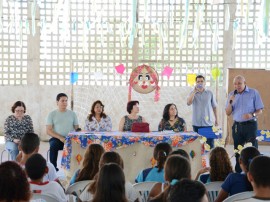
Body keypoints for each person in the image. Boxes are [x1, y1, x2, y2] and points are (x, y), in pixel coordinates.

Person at [225, 75, 264, 173]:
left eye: (239, 83)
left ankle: (254, 172)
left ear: (245, 83)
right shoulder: (231, 95)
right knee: (238, 151)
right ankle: (239, 172)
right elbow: (228, 112)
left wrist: (252, 114)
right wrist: (230, 102)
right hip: (237, 127)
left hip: (251, 125)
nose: (237, 86)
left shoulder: (253, 93)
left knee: (253, 150)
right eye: (235, 84)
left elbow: (260, 110)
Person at [46, 93, 79, 171]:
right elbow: (48, 130)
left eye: (66, 101)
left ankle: (75, 167)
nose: (65, 102)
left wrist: (77, 133)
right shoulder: (51, 114)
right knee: (53, 145)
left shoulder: (72, 114)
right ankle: (53, 168)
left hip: (70, 138)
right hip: (57, 139)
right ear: (57, 102)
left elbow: (77, 128)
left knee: (80, 145)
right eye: (62, 101)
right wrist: (60, 137)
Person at [187, 75, 218, 148]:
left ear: (205, 83)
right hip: (196, 124)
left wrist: (216, 119)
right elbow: (188, 103)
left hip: (208, 124)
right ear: (196, 83)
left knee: (210, 146)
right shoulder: (192, 93)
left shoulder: (209, 93)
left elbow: (214, 107)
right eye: (198, 81)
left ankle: (210, 159)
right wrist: (194, 92)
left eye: (201, 81)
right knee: (197, 146)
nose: (200, 83)